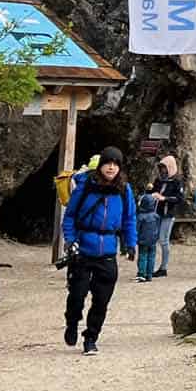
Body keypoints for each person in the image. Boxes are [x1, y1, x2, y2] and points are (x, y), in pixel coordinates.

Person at [61, 147, 137, 354]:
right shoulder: (85, 187)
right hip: (84, 249)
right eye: (108, 163)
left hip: (108, 250)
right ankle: (72, 322)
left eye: (115, 164)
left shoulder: (124, 190)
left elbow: (129, 218)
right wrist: (71, 240)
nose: (111, 167)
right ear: (101, 165)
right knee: (77, 295)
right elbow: (69, 216)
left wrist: (131, 243)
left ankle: (91, 337)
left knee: (102, 299)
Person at [152, 154, 183, 277]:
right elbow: (153, 191)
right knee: (153, 239)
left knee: (163, 240)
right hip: (157, 212)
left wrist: (164, 198)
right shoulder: (159, 180)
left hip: (168, 214)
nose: (162, 170)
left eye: (164, 167)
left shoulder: (176, 182)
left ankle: (163, 267)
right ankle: (150, 265)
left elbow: (179, 198)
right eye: (161, 167)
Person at [135, 185, 161, 281]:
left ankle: (142, 273)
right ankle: (149, 274)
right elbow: (158, 226)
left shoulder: (141, 216)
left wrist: (135, 238)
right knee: (151, 257)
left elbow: (137, 228)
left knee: (143, 256)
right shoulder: (156, 216)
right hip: (153, 239)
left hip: (143, 240)